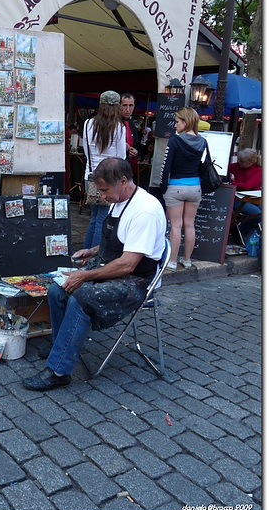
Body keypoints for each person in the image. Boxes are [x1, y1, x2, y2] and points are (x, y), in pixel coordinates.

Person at [23, 157, 166, 391]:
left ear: (122, 181)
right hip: (114, 266)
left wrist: (86, 276)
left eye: (104, 190)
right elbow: (120, 242)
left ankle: (59, 371)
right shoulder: (118, 199)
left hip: (135, 280)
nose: (101, 196)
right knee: (58, 289)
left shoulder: (145, 211)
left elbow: (128, 264)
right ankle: (62, 346)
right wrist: (92, 251)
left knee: (81, 296)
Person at [159, 107, 207, 270]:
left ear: (186, 122)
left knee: (176, 225)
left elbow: (166, 166)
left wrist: (163, 186)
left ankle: (172, 261)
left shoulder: (175, 140)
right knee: (190, 224)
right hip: (195, 187)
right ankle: (187, 259)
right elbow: (204, 165)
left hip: (176, 185)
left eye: (177, 121)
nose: (175, 125)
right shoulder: (202, 142)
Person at [82, 90, 126, 249]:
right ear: (117, 107)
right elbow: (121, 157)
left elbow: (86, 151)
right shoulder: (119, 128)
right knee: (102, 218)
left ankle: (85, 254)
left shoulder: (88, 123)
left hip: (91, 175)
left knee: (94, 218)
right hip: (110, 179)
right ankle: (94, 258)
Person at [228, 149, 262, 240]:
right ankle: (240, 233)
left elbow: (248, 186)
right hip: (239, 198)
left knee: (259, 213)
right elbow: (224, 168)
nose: (239, 162)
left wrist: (232, 185)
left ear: (251, 162)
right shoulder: (237, 166)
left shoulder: (259, 170)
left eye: (242, 161)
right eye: (238, 160)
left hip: (253, 198)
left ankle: (240, 231)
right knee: (258, 214)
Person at [120, 93, 140, 179]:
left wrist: (136, 151)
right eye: (124, 105)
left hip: (130, 167)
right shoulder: (113, 123)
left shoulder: (132, 124)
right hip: (117, 167)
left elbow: (137, 144)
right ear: (119, 106)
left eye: (130, 105)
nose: (128, 109)